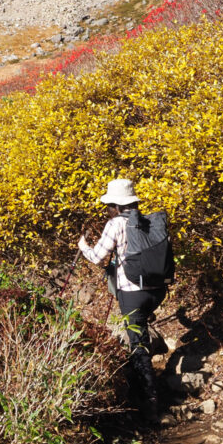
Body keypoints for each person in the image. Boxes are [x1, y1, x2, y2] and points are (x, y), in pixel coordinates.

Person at [78, 178, 167, 421]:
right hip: (158, 291)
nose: (107, 210)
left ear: (116, 205)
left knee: (137, 343)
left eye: (108, 205)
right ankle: (153, 382)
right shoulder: (148, 221)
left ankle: (150, 404)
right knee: (141, 331)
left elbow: (97, 257)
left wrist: (83, 246)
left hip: (131, 294)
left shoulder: (115, 223)